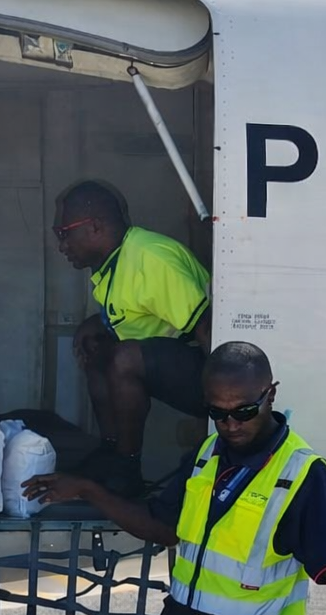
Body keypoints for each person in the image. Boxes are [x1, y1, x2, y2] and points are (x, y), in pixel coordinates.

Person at [23, 341, 326, 615]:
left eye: (244, 411)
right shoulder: (206, 456)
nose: (230, 424)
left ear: (270, 396)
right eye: (217, 412)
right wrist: (90, 490)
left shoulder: (301, 473)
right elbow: (162, 526)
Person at [54, 180, 212, 496]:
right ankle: (110, 452)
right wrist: (95, 324)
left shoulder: (149, 258)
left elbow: (208, 328)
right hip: (178, 359)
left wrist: (229, 411)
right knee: (99, 350)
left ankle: (126, 468)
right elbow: (137, 316)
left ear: (94, 227)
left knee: (123, 358)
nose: (62, 246)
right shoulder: (114, 262)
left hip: (209, 373)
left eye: (64, 233)